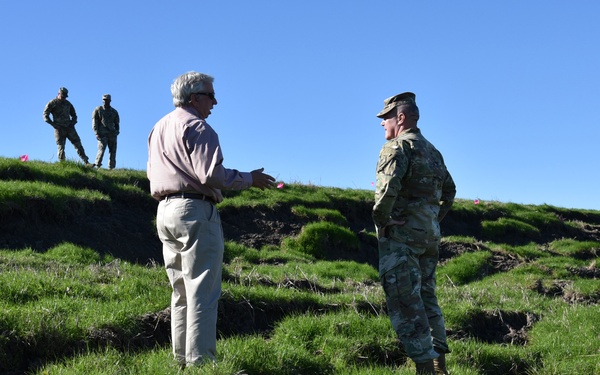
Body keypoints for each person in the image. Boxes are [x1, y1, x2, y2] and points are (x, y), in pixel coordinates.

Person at [147, 71, 276, 368]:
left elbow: (152, 172)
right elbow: (210, 175)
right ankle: (201, 364)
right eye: (210, 95)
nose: (215, 102)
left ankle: (180, 362)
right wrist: (249, 179)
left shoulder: (159, 127)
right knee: (202, 291)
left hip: (164, 210)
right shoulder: (200, 127)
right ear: (194, 98)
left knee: (179, 292)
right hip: (194, 210)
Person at [372, 92, 456, 375]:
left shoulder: (396, 148)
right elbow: (450, 191)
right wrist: (432, 218)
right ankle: (440, 366)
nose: (383, 124)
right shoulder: (433, 151)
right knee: (428, 298)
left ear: (401, 117)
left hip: (403, 239)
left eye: (385, 118)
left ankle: (425, 369)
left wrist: (382, 221)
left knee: (405, 302)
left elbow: (386, 190)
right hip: (429, 237)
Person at [43, 87, 91, 164]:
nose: (63, 98)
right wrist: (53, 124)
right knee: (61, 146)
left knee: (78, 144)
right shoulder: (52, 103)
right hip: (59, 129)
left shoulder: (68, 104)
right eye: (62, 96)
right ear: (58, 94)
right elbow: (45, 115)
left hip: (69, 128)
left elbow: (74, 115)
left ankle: (86, 162)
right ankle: (63, 163)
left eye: (65, 97)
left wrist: (72, 123)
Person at [92, 94, 120, 169]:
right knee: (101, 150)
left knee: (113, 152)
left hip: (112, 134)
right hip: (102, 134)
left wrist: (116, 132)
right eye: (104, 100)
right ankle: (97, 165)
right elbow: (95, 121)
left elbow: (117, 123)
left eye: (107, 100)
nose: (105, 101)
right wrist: (96, 132)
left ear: (110, 100)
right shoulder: (98, 109)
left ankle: (111, 167)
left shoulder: (114, 112)